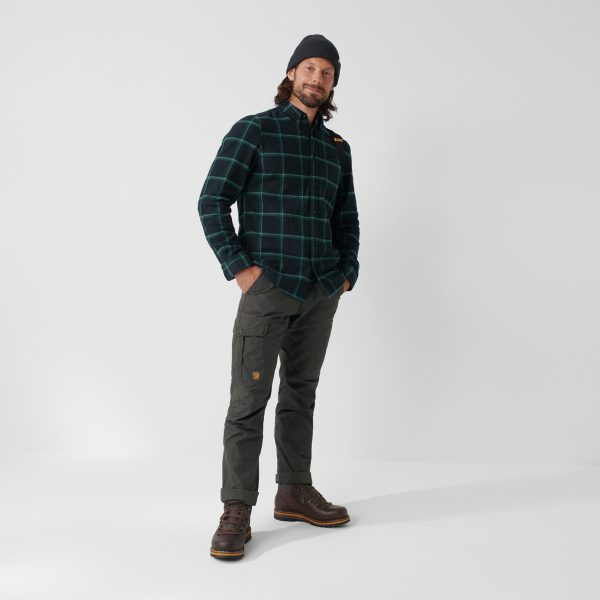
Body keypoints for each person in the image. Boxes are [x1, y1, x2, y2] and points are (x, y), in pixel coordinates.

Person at [198, 33, 360, 560]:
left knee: (301, 394)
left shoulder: (337, 149)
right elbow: (212, 200)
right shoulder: (255, 130)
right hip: (269, 290)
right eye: (309, 68)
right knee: (248, 402)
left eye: (327, 72)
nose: (317, 78)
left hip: (320, 290)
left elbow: (347, 218)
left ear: (333, 85)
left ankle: (293, 491)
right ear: (291, 74)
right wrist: (241, 270)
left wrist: (346, 273)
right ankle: (236, 508)